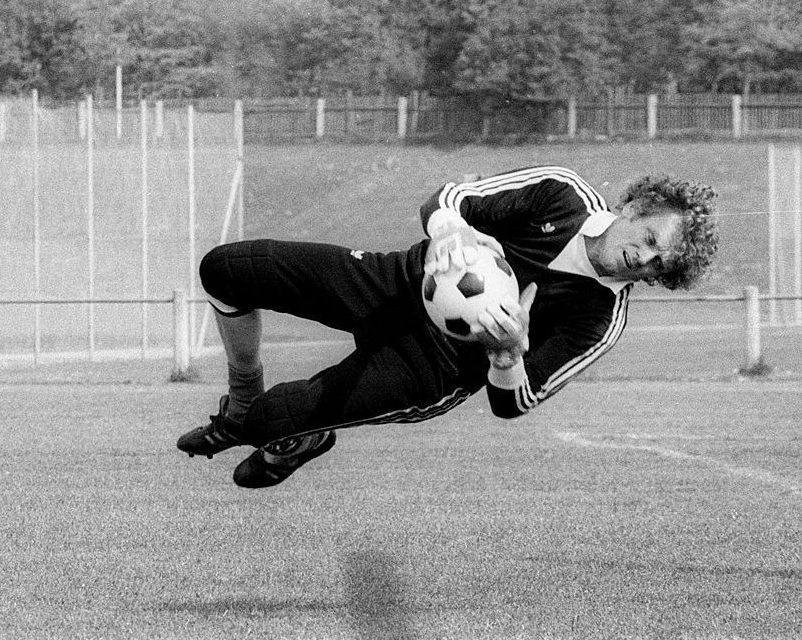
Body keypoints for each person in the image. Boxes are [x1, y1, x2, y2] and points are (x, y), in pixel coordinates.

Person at [177, 165, 718, 488]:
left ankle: (295, 436)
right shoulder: (563, 193)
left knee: (277, 418)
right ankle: (244, 398)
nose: (644, 262)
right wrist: (450, 233)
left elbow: (514, 403)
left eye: (659, 267)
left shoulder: (601, 319)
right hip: (395, 282)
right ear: (636, 206)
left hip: (428, 368)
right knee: (225, 269)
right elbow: (449, 197)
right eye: (649, 240)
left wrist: (506, 357)